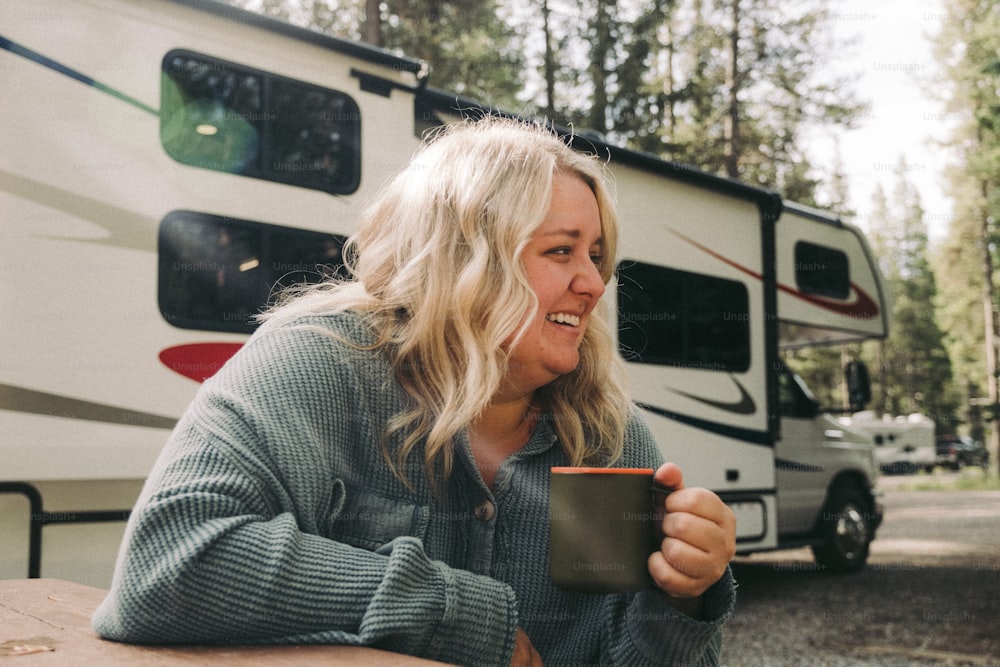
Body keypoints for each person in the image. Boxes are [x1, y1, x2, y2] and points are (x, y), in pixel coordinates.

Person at [92, 117, 737, 666]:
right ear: (466, 261)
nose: (594, 284)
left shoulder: (607, 436)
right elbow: (169, 563)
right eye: (562, 252)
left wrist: (682, 592)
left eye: (596, 255)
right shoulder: (322, 365)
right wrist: (458, 616)